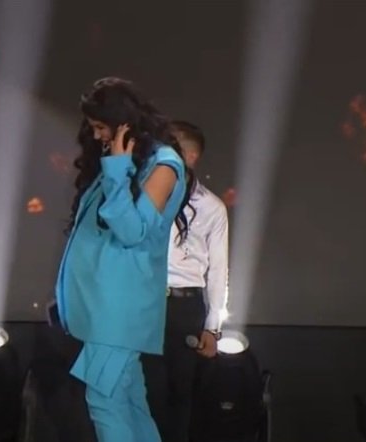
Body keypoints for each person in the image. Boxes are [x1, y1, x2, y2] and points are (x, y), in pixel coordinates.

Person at [54, 77, 191, 442]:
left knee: (106, 401)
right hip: (102, 308)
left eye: (102, 127)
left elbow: (132, 231)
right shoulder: (126, 163)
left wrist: (117, 169)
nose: (97, 135)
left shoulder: (164, 165)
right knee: (129, 402)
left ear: (124, 124)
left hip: (119, 310)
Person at [143, 120, 229, 442]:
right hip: (144, 301)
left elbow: (218, 269)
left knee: (179, 394)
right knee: (144, 391)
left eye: (169, 145)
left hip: (183, 306)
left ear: (190, 156)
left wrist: (212, 327)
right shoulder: (146, 193)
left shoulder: (211, 207)